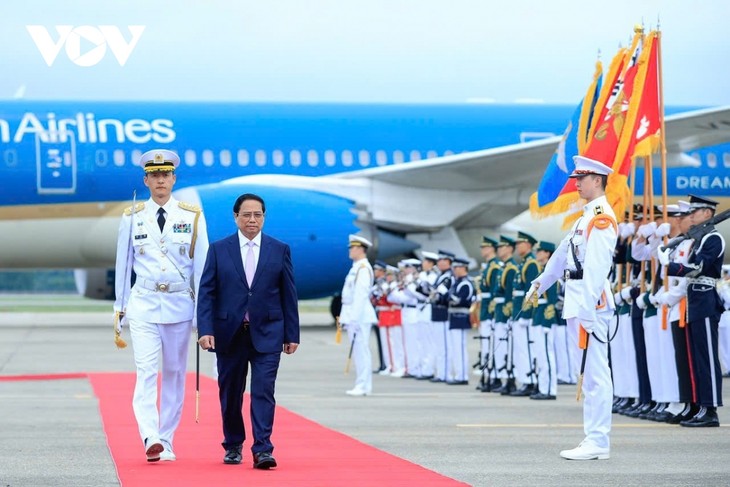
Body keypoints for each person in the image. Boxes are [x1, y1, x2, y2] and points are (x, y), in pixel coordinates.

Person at [113, 149, 209, 462]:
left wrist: (202, 315)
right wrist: (120, 309)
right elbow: (123, 265)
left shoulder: (191, 215)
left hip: (180, 304)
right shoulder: (132, 216)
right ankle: (149, 435)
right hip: (143, 303)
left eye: (165, 175)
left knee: (174, 373)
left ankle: (166, 439)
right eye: (154, 175)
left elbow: (202, 268)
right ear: (146, 180)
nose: (160, 180)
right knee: (145, 372)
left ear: (173, 178)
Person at [197, 193, 300, 469]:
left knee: (264, 390)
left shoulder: (279, 249)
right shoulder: (219, 249)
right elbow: (207, 292)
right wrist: (205, 329)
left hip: (268, 332)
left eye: (258, 215)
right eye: (247, 215)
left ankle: (263, 449)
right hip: (229, 333)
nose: (252, 220)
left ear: (264, 217)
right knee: (230, 393)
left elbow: (289, 295)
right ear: (236, 217)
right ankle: (233, 444)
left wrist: (292, 334)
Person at [527, 155, 618, 460]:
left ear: (598, 180)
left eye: (582, 179)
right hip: (578, 302)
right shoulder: (585, 217)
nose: (576, 184)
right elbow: (562, 256)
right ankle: (592, 438)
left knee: (595, 375)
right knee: (588, 374)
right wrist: (541, 283)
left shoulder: (602, 217)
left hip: (589, 304)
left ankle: (598, 441)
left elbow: (596, 266)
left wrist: (589, 309)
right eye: (576, 179)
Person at [658, 194, 726, 427]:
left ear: (707, 213)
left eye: (695, 212)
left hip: (706, 301)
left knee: (706, 357)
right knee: (697, 359)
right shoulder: (699, 239)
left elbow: (698, 267)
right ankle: (699, 406)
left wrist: (670, 266)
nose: (691, 216)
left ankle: (710, 409)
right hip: (694, 302)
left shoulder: (713, 239)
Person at [340, 234, 378, 396]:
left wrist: (354, 318)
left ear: (360, 249)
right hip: (353, 313)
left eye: (352, 248)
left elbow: (361, 295)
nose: (350, 250)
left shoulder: (363, 268)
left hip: (360, 315)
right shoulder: (357, 267)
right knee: (358, 351)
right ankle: (362, 384)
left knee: (361, 351)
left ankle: (363, 385)